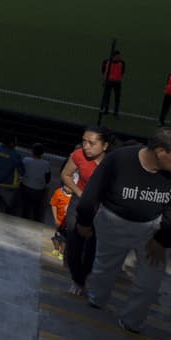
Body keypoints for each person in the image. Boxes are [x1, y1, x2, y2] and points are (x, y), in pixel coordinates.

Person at [75, 127, 171, 334]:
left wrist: (162, 239)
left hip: (153, 227)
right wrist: (84, 221)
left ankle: (132, 322)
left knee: (150, 281)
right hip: (113, 222)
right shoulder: (119, 160)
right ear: (160, 152)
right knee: (105, 268)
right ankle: (96, 302)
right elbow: (92, 192)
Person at [60, 126, 112, 295]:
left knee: (92, 248)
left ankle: (83, 276)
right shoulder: (78, 155)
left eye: (91, 143)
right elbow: (65, 175)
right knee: (73, 245)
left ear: (105, 146)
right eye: (84, 142)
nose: (86, 147)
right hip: (79, 204)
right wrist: (79, 192)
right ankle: (78, 279)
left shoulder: (113, 163)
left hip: (101, 208)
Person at [0, 139, 23, 213]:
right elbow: (21, 171)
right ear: (12, 143)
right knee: (9, 207)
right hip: (7, 185)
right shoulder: (15, 154)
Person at [18, 143, 51, 222]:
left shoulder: (26, 160)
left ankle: (23, 221)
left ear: (32, 151)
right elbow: (47, 180)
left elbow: (21, 172)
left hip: (25, 186)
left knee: (25, 208)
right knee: (37, 209)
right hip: (38, 189)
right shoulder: (46, 164)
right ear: (42, 153)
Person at [100, 50, 125, 117]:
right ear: (113, 56)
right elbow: (103, 70)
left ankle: (116, 112)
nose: (118, 57)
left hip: (117, 82)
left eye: (119, 56)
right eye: (117, 56)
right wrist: (106, 79)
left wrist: (118, 77)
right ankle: (106, 110)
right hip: (109, 82)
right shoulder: (106, 61)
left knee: (117, 97)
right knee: (107, 96)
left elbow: (122, 71)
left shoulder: (122, 62)